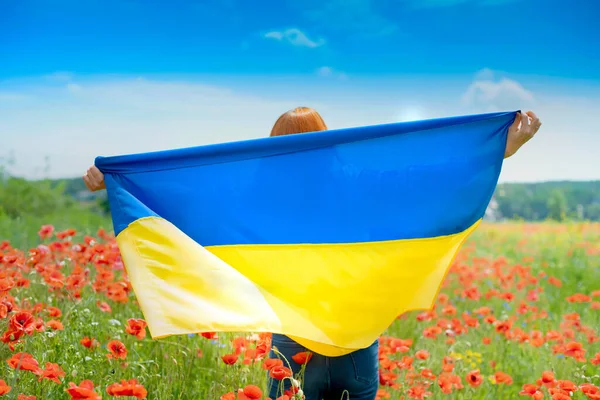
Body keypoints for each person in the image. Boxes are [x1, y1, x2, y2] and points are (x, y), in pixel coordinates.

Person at [83, 107, 542, 400]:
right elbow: (428, 179)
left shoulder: (252, 196)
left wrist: (116, 180)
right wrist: (505, 145)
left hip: (289, 342)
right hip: (355, 342)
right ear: (324, 143)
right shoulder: (359, 187)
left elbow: (181, 196)